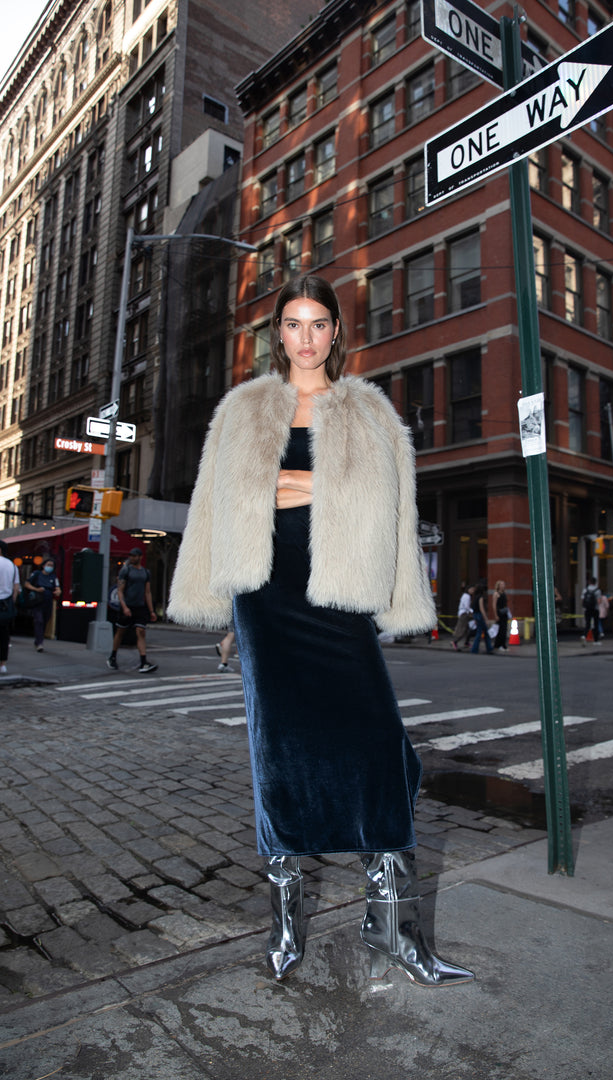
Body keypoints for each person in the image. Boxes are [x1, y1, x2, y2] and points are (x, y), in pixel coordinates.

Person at [167, 274, 472, 988]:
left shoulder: (369, 414)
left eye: (319, 324)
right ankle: (285, 927)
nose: (306, 337)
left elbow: (388, 508)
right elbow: (221, 501)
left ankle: (391, 926)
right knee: (279, 757)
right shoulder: (242, 411)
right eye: (294, 324)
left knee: (381, 751)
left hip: (339, 598)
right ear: (280, 333)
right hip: (268, 600)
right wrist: (309, 492)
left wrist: (292, 487)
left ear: (337, 332)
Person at [107, 547, 158, 673]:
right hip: (128, 605)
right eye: (130, 555)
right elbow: (120, 590)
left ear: (140, 557)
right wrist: (124, 607)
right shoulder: (126, 570)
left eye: (134, 556)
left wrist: (151, 611)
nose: (132, 558)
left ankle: (143, 661)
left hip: (139, 606)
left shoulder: (146, 573)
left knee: (141, 631)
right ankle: (113, 656)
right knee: (120, 631)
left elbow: (147, 592)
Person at [24, 556, 61, 652]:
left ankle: (38, 640)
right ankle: (40, 643)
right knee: (39, 620)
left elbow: (57, 587)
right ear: (44, 565)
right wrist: (36, 589)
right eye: (48, 565)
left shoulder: (53, 577)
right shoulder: (37, 574)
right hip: (38, 601)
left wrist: (58, 591)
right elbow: (27, 584)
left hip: (48, 602)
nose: (50, 567)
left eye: (52, 565)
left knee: (45, 620)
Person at [0, 540, 20, 674]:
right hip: (5, 605)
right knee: (4, 636)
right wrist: (12, 602)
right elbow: (16, 587)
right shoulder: (12, 566)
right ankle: (2, 664)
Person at [470, 582, 493, 654]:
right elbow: (482, 608)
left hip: (476, 615)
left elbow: (473, 608)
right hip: (480, 615)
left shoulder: (474, 598)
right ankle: (476, 648)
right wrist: (486, 618)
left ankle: (488, 648)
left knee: (483, 632)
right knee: (481, 632)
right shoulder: (480, 597)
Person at [451, 585, 474, 650]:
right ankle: (455, 641)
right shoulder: (467, 596)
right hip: (464, 614)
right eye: (471, 589)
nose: (472, 591)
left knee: (467, 629)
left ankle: (466, 642)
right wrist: (471, 611)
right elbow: (466, 606)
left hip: (463, 613)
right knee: (462, 629)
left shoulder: (464, 595)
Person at [581, 577, 602, 642]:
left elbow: (582, 599)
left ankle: (584, 635)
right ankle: (596, 640)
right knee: (596, 624)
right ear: (595, 582)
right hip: (595, 609)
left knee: (587, 623)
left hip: (587, 609)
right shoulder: (597, 590)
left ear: (589, 582)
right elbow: (599, 601)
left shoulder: (585, 589)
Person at [492, 579, 510, 651]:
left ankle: (503, 644)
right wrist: (496, 615)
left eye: (504, 584)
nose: (503, 586)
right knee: (500, 630)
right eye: (501, 584)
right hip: (499, 613)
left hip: (504, 612)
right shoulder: (496, 594)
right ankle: (498, 645)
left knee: (504, 629)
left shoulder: (504, 593)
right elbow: (494, 605)